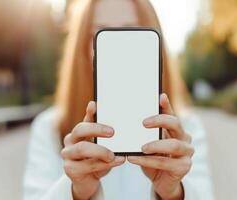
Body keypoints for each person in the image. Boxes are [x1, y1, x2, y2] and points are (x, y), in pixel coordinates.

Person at [23, 0, 214, 199]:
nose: (119, 46)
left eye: (131, 31)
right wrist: (77, 192)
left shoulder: (185, 130)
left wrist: (174, 193)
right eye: (101, 33)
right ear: (83, 48)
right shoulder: (49, 128)